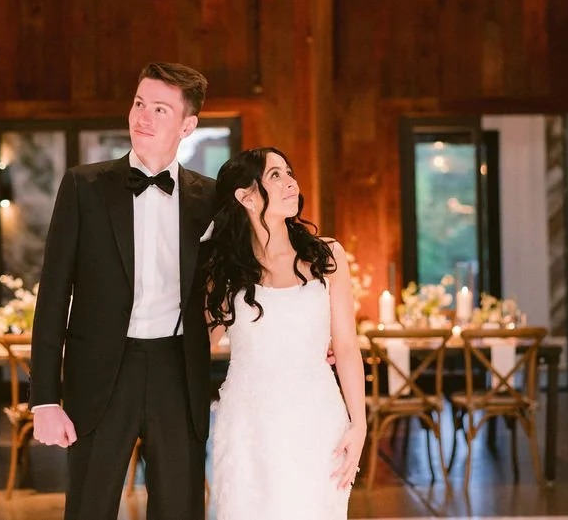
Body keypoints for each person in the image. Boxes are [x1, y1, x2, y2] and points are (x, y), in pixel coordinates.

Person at [29, 62, 216, 520]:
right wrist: (45, 398)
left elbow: (245, 280)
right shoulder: (83, 186)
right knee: (89, 508)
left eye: (159, 109)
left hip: (179, 371)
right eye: (138, 104)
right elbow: (52, 297)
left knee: (180, 509)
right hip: (100, 373)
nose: (143, 117)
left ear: (187, 125)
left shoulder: (212, 199)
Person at [204, 147, 366, 520]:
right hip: (248, 424)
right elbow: (198, 348)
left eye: (289, 172)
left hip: (317, 419)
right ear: (245, 196)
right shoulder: (225, 270)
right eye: (275, 175)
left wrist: (359, 424)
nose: (291, 181)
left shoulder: (328, 256)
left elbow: (345, 347)